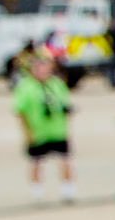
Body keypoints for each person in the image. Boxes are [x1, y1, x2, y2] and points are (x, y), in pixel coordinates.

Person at [11, 51, 75, 204]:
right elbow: (20, 111)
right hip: (38, 131)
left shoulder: (57, 84)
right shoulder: (26, 86)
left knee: (64, 160)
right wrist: (27, 132)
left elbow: (65, 103)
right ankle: (37, 191)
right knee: (36, 162)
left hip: (57, 130)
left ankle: (68, 190)